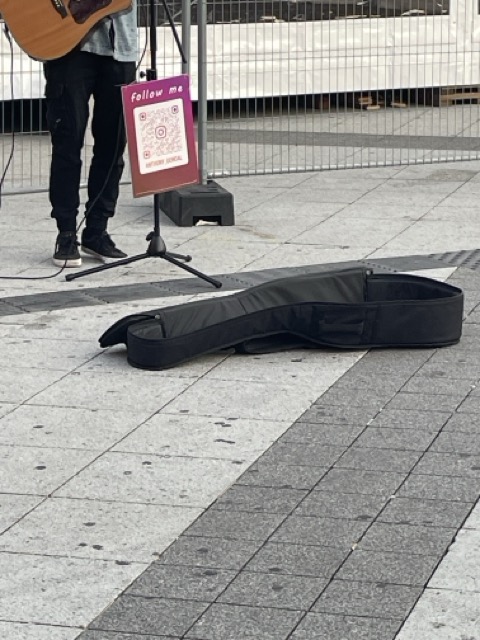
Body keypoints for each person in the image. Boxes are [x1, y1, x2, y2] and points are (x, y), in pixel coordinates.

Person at [44, 1, 138, 267]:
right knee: (68, 142)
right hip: (69, 44)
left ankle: (97, 230)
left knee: (113, 145)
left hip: (120, 46)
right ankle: (66, 232)